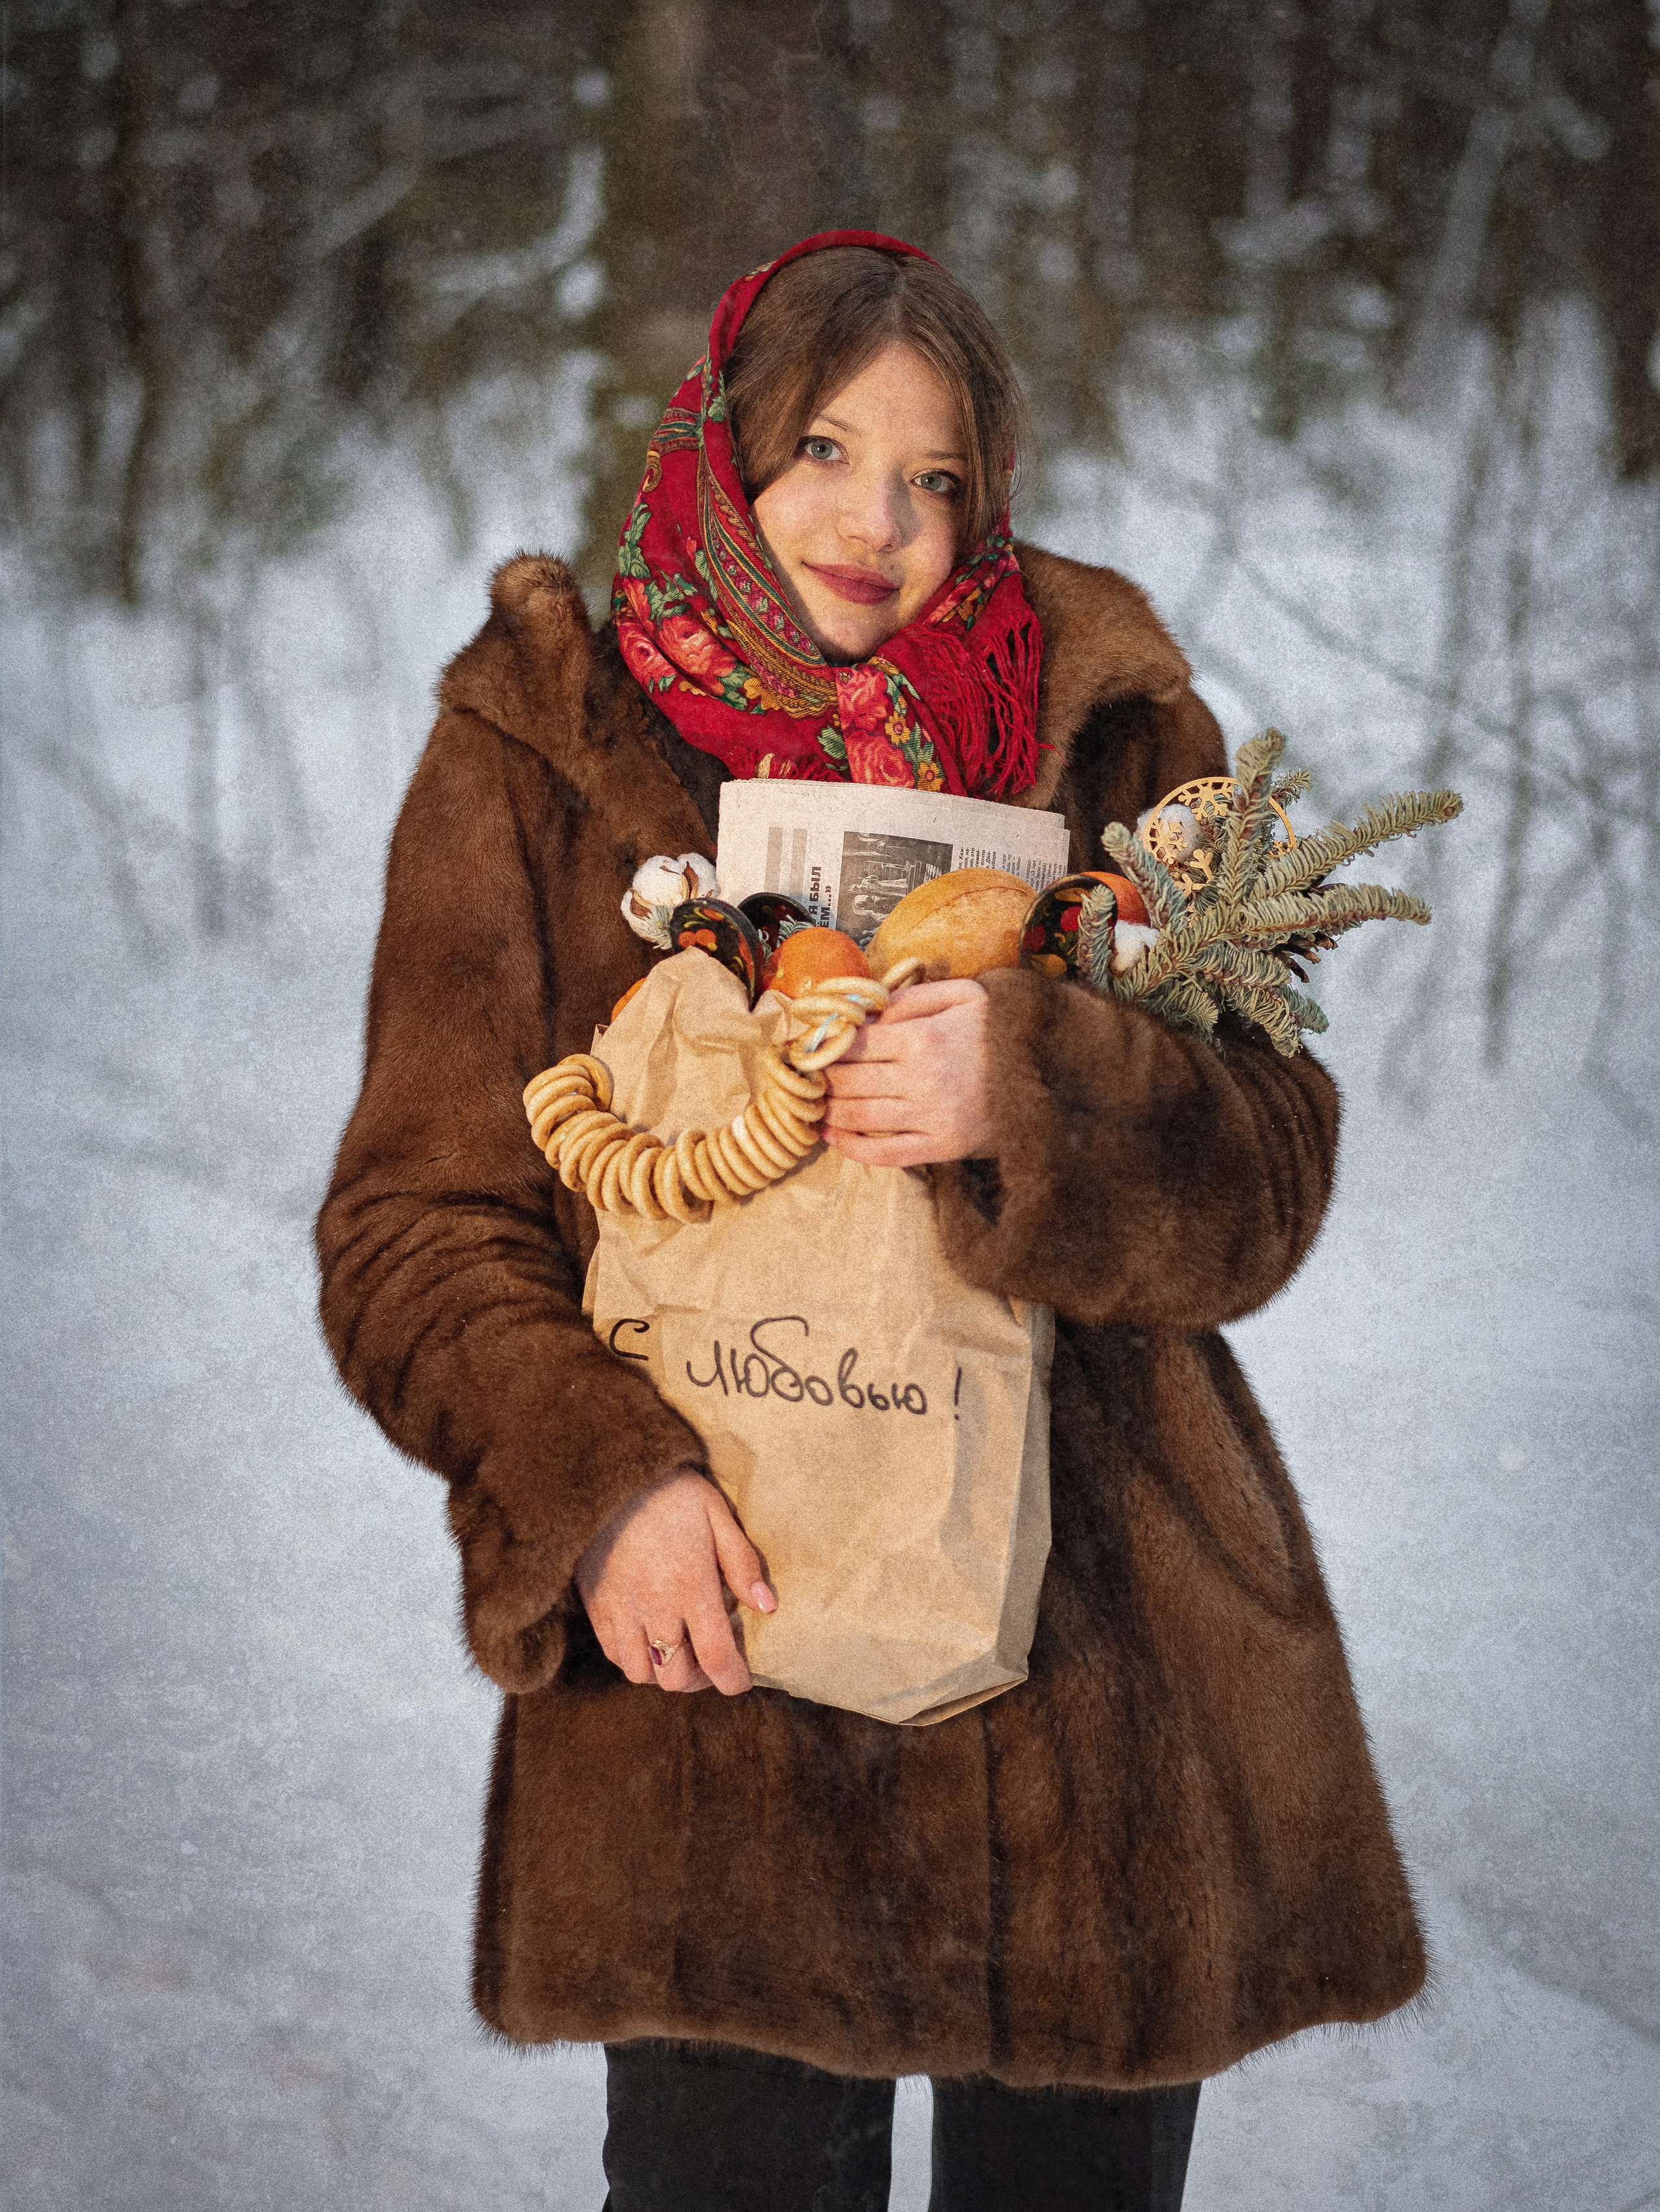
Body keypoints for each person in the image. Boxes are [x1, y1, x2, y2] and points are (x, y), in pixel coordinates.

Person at [316, 232, 1425, 2212]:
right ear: (725, 457)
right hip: (717, 1670)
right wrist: (598, 1486)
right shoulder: (542, 750)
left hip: (1098, 1681)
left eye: (937, 477)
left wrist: (1049, 1093)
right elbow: (417, 1224)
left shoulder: (1115, 730)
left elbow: (1271, 1169)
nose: (877, 523)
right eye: (823, 450)